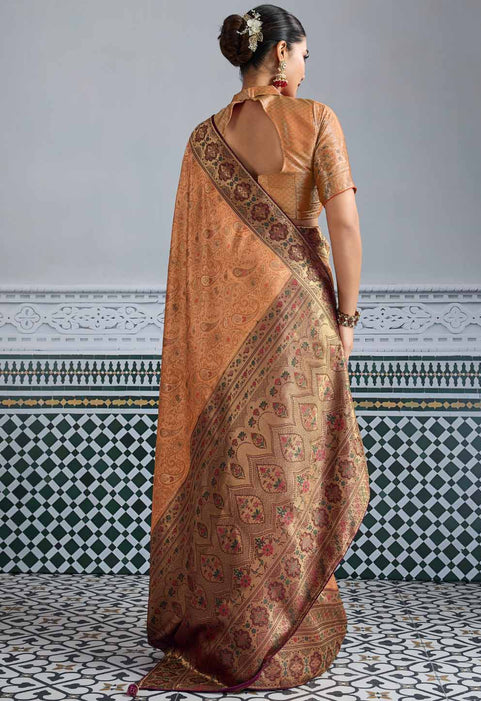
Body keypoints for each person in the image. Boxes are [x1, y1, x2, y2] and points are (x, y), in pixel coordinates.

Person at [127, 4, 370, 697]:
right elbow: (345, 226)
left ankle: (227, 625)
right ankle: (281, 626)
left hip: (228, 340)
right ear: (281, 53)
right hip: (301, 321)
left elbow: (196, 265)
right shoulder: (317, 119)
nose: (306, 68)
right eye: (304, 54)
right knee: (292, 474)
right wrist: (348, 317)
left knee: (236, 477)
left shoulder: (202, 140)